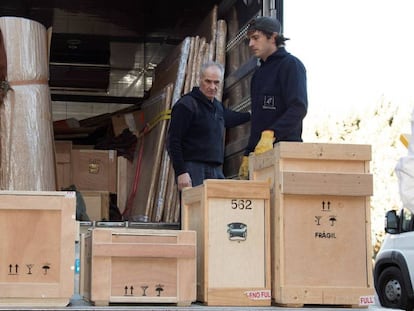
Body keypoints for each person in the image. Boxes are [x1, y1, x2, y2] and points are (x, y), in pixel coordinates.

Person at [238, 16, 308, 179]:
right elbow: (258, 119)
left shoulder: (291, 65)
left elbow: (298, 107)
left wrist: (272, 134)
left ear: (273, 37)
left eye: (256, 38)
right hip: (261, 156)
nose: (251, 44)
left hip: (286, 152)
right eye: (250, 39)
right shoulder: (258, 74)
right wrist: (248, 153)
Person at [167, 61, 251, 191]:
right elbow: (173, 141)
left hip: (215, 170)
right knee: (196, 210)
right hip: (193, 169)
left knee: (218, 208)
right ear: (199, 79)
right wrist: (181, 172)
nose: (212, 87)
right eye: (208, 81)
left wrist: (253, 115)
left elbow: (231, 118)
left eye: (216, 82)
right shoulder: (186, 105)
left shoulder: (217, 106)